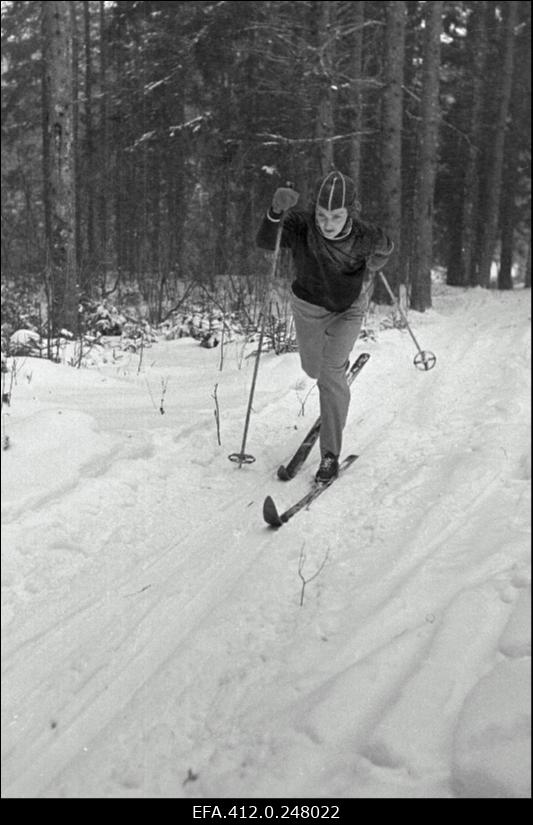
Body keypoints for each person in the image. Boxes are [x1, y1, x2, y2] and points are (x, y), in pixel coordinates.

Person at [256, 169, 393, 483]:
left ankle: (329, 455)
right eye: (322, 215)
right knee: (313, 369)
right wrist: (275, 212)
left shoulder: (365, 234)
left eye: (336, 216)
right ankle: (335, 379)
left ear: (350, 212)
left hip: (348, 308)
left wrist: (375, 262)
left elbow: (386, 249)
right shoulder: (302, 225)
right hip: (308, 307)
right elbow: (266, 240)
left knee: (330, 374)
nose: (327, 223)